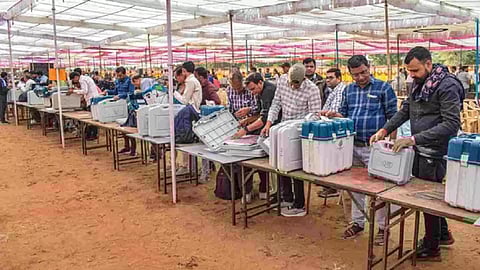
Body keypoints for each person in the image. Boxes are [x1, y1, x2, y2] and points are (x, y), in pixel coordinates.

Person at [370, 46, 459, 261]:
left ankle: (432, 246)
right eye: (409, 71)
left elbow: (451, 124)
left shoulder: (447, 86)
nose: (411, 75)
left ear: (429, 64)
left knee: (428, 199)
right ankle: (442, 234)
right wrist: (385, 129)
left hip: (435, 151)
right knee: (430, 198)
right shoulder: (418, 84)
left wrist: (413, 139)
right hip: (420, 148)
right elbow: (405, 110)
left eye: (415, 70)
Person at [321, 55, 397, 243]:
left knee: (378, 189)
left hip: (375, 147)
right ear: (350, 74)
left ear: (369, 68)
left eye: (363, 72)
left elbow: (394, 118)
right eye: (356, 75)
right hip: (353, 145)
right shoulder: (349, 90)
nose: (361, 77)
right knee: (355, 187)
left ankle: (382, 228)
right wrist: (333, 115)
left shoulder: (383, 88)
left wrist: (389, 145)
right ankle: (358, 222)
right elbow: (345, 115)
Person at [261, 63, 322, 217]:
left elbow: (315, 116)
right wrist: (269, 123)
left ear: (304, 79)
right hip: (283, 127)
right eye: (291, 83)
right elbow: (276, 103)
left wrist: (300, 128)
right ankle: (286, 198)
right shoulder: (281, 81)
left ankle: (299, 204)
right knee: (281, 164)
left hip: (300, 131)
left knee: (296, 169)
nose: (294, 86)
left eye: (297, 83)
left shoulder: (312, 90)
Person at [229, 72, 269, 202]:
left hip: (255, 128)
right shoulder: (230, 90)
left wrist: (248, 119)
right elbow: (230, 108)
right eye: (234, 88)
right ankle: (246, 191)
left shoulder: (256, 91)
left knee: (261, 159)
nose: (236, 90)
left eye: (238, 87)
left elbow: (261, 114)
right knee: (243, 161)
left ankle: (264, 189)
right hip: (243, 128)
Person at [317, 67, 346, 197]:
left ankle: (335, 188)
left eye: (331, 78)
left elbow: (334, 112)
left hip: (336, 129)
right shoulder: (332, 91)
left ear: (339, 78)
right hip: (332, 128)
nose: (327, 80)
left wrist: (326, 114)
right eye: (326, 78)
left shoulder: (340, 91)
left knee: (334, 159)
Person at [175, 61, 203, 178]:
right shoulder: (193, 80)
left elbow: (185, 100)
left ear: (184, 71)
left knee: (187, 141)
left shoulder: (190, 81)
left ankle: (189, 168)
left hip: (192, 114)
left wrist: (175, 93)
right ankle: (188, 167)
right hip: (193, 113)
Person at [107, 67, 136, 156]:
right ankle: (126, 146)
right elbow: (115, 92)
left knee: (129, 127)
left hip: (128, 106)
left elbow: (131, 93)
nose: (119, 77)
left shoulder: (129, 82)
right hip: (119, 105)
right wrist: (107, 92)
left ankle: (133, 149)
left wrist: (120, 95)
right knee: (122, 127)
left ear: (124, 73)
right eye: (117, 75)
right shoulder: (117, 81)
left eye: (120, 75)